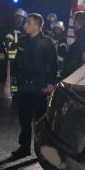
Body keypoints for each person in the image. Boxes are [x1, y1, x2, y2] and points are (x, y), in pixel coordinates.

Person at [11, 13, 57, 158]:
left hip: (39, 88)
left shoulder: (47, 42)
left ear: (37, 25)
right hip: (24, 87)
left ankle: (43, 150)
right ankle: (24, 147)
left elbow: (53, 65)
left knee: (40, 122)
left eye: (28, 22)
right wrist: (15, 81)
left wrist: (51, 84)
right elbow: (16, 62)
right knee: (24, 120)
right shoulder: (23, 41)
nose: (26, 25)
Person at [61, 10, 85, 79]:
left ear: (76, 22)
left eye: (74, 22)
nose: (73, 25)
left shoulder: (84, 42)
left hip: (76, 81)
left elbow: (83, 67)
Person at [3, 8, 26, 95]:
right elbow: (8, 41)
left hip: (21, 56)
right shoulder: (10, 27)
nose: (21, 19)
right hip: (12, 56)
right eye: (19, 17)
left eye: (22, 17)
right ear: (15, 17)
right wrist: (12, 45)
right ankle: (13, 92)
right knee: (13, 74)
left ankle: (19, 91)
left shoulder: (23, 29)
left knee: (20, 74)